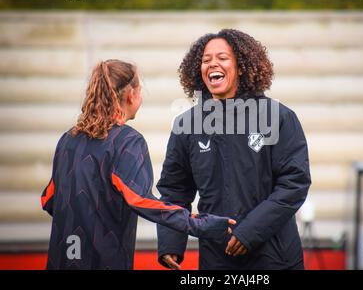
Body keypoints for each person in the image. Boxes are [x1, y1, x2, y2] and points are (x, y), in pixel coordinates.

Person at [41, 59, 235, 270]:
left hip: (60, 260)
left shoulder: (68, 138)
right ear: (131, 95)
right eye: (140, 89)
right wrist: (203, 224)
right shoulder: (127, 141)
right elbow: (142, 201)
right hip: (102, 262)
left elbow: (48, 199)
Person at [157, 29, 311, 270]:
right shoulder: (187, 125)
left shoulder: (279, 117)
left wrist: (249, 232)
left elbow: (294, 184)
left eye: (222, 58)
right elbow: (175, 189)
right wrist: (171, 244)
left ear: (241, 66)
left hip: (274, 256)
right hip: (217, 257)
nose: (212, 64)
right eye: (206, 60)